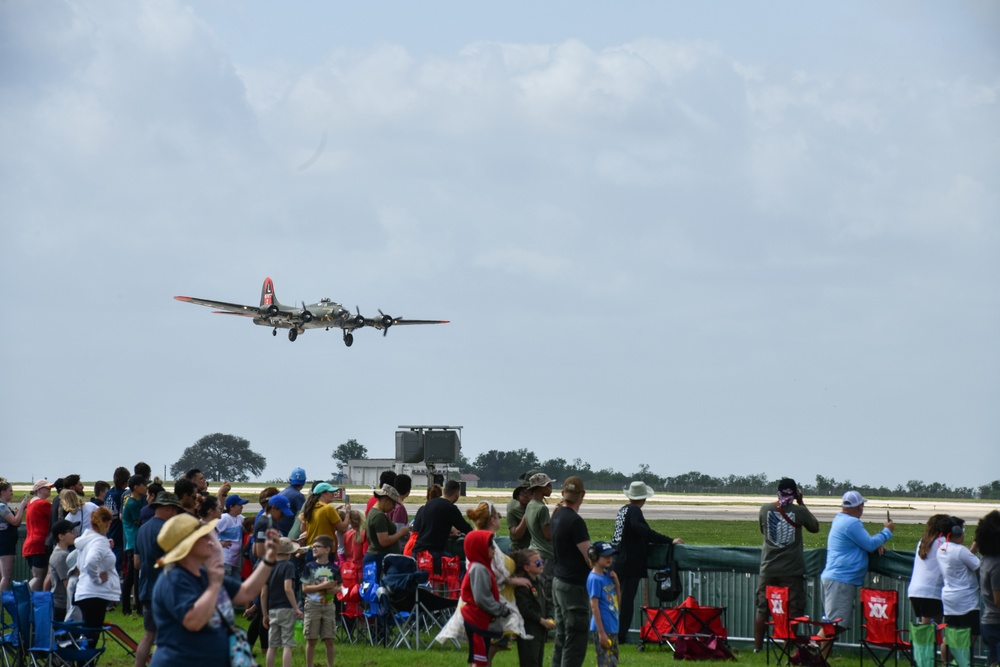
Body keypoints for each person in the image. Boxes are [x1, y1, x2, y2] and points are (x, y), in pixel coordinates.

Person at [149, 512, 280, 667]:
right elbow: (193, 621)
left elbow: (246, 592)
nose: (211, 542)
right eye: (204, 537)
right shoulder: (174, 580)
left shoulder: (204, 575)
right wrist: (214, 585)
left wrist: (269, 559)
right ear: (188, 546)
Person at [818, 490, 893, 655]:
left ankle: (819, 658)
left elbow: (863, 544)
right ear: (859, 507)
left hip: (838, 578)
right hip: (841, 579)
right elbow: (869, 543)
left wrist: (873, 545)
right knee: (835, 625)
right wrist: (886, 531)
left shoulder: (841, 520)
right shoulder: (852, 523)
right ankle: (809, 652)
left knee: (834, 624)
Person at [751, 478, 818, 652]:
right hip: (792, 570)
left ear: (778, 492)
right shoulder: (799, 511)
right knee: (793, 610)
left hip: (768, 568)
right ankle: (787, 648)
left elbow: (763, 530)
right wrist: (802, 503)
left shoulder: (765, 509)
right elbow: (815, 527)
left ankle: (757, 648)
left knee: (763, 608)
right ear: (795, 493)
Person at [612, 479, 682, 646]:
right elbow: (642, 530)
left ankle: (613, 633)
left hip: (617, 560)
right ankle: (620, 637)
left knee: (617, 601)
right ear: (643, 498)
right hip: (629, 564)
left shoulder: (623, 510)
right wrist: (669, 540)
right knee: (626, 602)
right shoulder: (635, 511)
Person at [134, 492, 183, 667]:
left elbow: (137, 563)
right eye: (176, 510)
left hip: (146, 588)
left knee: (149, 635)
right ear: (169, 508)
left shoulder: (143, 529)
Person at [550, 476, 591, 667]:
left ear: (562, 493)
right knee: (575, 638)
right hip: (573, 586)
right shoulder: (575, 521)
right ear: (582, 495)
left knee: (562, 636)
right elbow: (588, 557)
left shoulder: (557, 516)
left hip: (558, 580)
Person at [461, 529, 512, 667]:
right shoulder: (479, 569)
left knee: (480, 658)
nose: (494, 549)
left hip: (481, 619)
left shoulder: (482, 566)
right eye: (490, 546)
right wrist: (501, 609)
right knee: (479, 661)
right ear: (480, 548)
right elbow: (482, 598)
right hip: (477, 620)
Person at [74, 506, 121, 642]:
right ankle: (85, 662)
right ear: (106, 523)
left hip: (84, 592)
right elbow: (90, 562)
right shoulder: (99, 542)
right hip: (95, 594)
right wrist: (97, 578)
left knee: (88, 633)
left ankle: (81, 660)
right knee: (92, 636)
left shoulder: (88, 539)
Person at [412, 479, 473, 571]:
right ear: (457, 493)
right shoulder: (449, 508)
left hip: (417, 552)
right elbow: (465, 528)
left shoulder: (429, 504)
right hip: (433, 555)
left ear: (444, 491)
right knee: (464, 567)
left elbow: (431, 528)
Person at [301, 534, 341, 667]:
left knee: (329, 639)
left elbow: (340, 586)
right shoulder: (309, 566)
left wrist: (335, 590)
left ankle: (330, 664)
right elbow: (305, 588)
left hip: (329, 605)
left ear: (327, 550)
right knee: (311, 639)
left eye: (317, 547)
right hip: (312, 605)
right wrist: (323, 586)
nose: (314, 549)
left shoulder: (334, 568)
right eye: (313, 547)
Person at [262, 537, 303, 667]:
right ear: (289, 553)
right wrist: (296, 608)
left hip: (272, 609)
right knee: (287, 644)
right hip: (286, 608)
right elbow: (288, 588)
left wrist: (264, 614)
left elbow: (263, 593)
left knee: (272, 646)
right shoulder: (289, 566)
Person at [939, 518, 981, 644]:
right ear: (957, 532)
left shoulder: (941, 549)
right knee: (971, 635)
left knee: (951, 636)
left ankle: (946, 662)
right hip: (966, 601)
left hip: (949, 599)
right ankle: (964, 661)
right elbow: (979, 566)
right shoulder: (961, 550)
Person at [512, 549, 555, 667]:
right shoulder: (523, 586)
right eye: (537, 563)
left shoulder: (540, 581)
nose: (541, 564)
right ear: (526, 567)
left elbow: (547, 602)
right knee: (530, 661)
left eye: (541, 561)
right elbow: (525, 609)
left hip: (540, 629)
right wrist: (542, 620)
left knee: (538, 661)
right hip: (528, 629)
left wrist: (550, 617)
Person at [908, 514, 953, 624]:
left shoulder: (922, 542)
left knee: (928, 627)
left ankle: (926, 641)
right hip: (931, 592)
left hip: (914, 591)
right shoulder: (942, 543)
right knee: (930, 629)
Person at [520, 473, 556, 608]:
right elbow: (547, 535)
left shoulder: (530, 505)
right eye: (549, 485)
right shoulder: (542, 508)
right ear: (541, 488)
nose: (551, 488)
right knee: (548, 592)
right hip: (546, 555)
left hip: (534, 550)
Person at [363, 484, 411, 579]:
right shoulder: (379, 516)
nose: (393, 508)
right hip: (379, 558)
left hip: (378, 556)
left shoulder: (375, 512)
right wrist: (400, 533)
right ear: (386, 500)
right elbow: (384, 541)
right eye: (393, 504)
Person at [588, 541, 621, 667]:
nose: (609, 559)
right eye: (606, 556)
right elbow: (594, 606)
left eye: (611, 556)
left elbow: (617, 602)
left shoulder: (608, 576)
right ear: (594, 557)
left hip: (612, 626)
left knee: (613, 662)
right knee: (606, 663)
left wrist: (617, 584)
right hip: (602, 628)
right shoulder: (595, 579)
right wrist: (601, 632)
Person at [974, 509, 1000, 667]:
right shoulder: (997, 565)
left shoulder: (985, 560)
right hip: (996, 623)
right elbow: (998, 601)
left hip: (988, 622)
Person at [22, 479, 55, 591]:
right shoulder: (43, 504)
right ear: (39, 490)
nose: (50, 490)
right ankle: (23, 599)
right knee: (39, 577)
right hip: (39, 544)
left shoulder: (31, 503)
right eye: (48, 488)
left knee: (37, 576)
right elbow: (55, 515)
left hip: (29, 544)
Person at [122, 474, 148, 615]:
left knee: (133, 577)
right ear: (136, 487)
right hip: (133, 543)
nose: (146, 488)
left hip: (135, 542)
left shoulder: (138, 501)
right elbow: (140, 519)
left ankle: (131, 607)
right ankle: (133, 607)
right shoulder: (132, 504)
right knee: (132, 577)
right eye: (144, 485)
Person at [301, 483, 348, 547]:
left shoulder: (310, 507)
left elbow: (304, 530)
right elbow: (343, 528)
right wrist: (348, 512)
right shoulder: (328, 508)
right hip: (325, 549)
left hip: (311, 548)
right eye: (331, 492)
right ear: (322, 493)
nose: (333, 494)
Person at [0, 479, 27, 590]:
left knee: (3, 575)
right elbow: (15, 522)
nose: (12, 493)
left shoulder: (4, 506)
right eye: (10, 491)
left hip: (6, 543)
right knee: (7, 575)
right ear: (3, 492)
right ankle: (3, 602)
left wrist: (15, 513)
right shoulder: (2, 506)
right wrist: (22, 507)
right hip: (5, 544)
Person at [49, 519, 78, 621]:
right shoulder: (61, 556)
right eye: (71, 532)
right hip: (61, 606)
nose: (74, 534)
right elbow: (68, 584)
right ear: (61, 536)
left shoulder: (63, 553)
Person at [217, 494, 249, 576]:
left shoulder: (239, 518)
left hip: (235, 562)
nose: (242, 507)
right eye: (239, 505)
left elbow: (250, 523)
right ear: (231, 507)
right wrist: (219, 543)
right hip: (224, 560)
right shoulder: (224, 518)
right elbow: (209, 533)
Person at [278, 467, 308, 535]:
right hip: (285, 531)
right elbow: (304, 515)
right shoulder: (299, 496)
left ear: (290, 479)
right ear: (304, 481)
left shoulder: (282, 492)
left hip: (277, 528)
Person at [507, 481, 533, 552]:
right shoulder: (512, 513)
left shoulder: (537, 511)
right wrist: (526, 516)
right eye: (522, 493)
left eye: (529, 493)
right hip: (517, 551)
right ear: (518, 497)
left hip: (532, 551)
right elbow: (517, 536)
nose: (526, 496)